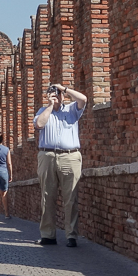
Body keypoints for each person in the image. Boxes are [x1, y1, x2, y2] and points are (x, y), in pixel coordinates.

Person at [33, 82, 88, 246]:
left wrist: (64, 89)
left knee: (70, 197)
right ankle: (48, 235)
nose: (56, 96)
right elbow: (39, 124)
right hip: (47, 155)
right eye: (52, 93)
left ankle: (71, 235)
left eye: (58, 94)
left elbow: (83, 99)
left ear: (63, 95)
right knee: (46, 197)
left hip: (70, 157)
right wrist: (50, 106)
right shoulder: (43, 111)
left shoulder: (72, 110)